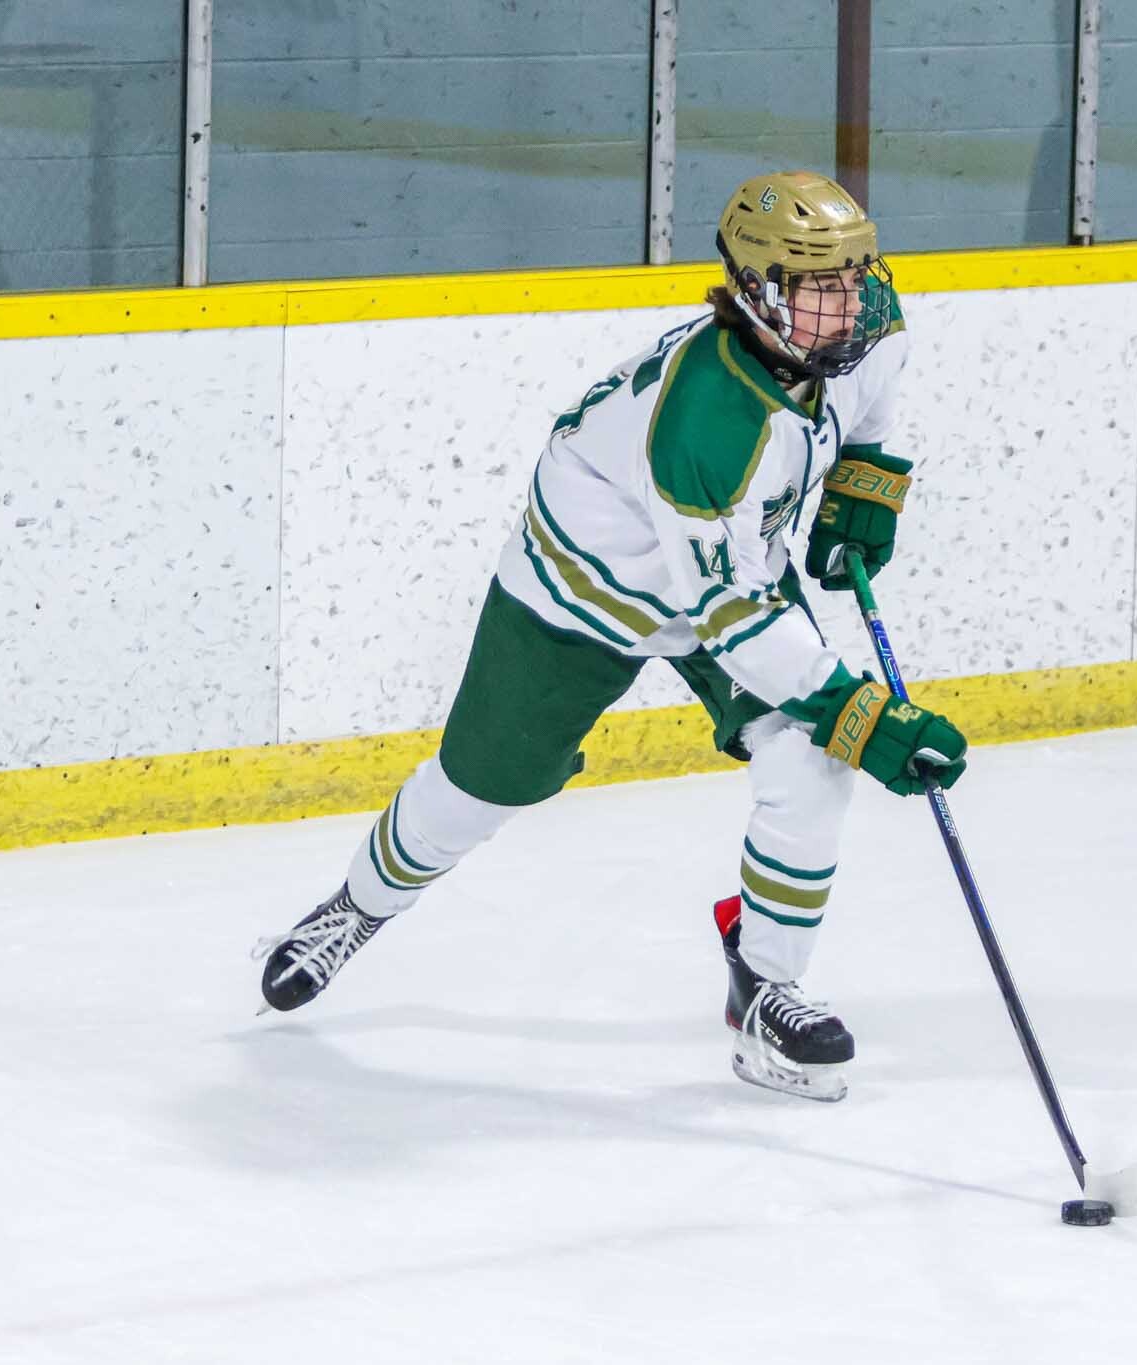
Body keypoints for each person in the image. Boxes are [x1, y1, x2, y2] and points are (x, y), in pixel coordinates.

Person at [253, 171, 970, 1102]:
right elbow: (732, 623)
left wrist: (863, 481)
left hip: (729, 566)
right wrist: (861, 715)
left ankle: (764, 988)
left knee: (808, 760)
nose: (851, 302)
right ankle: (355, 908)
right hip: (587, 586)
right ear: (757, 292)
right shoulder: (706, 425)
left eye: (855, 275)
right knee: (479, 788)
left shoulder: (859, 326)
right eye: (819, 285)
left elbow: (874, 394)